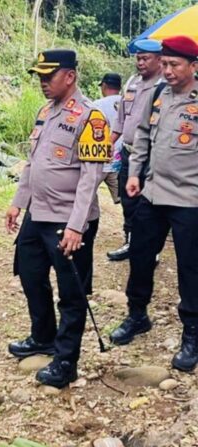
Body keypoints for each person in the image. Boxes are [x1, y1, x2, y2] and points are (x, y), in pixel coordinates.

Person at [5, 50, 112, 388]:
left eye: (48, 77)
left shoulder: (91, 118)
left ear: (69, 76)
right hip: (37, 214)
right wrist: (17, 203)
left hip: (69, 219)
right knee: (29, 274)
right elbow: (32, 164)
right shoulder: (44, 113)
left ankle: (66, 361)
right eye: (39, 76)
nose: (42, 83)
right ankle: (43, 337)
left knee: (71, 292)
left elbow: (90, 179)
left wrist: (77, 226)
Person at [109, 36, 198, 372]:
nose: (168, 70)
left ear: (194, 66)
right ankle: (137, 315)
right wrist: (135, 172)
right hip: (153, 193)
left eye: (175, 64)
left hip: (190, 198)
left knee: (190, 267)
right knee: (141, 255)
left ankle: (192, 332)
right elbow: (143, 135)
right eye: (165, 64)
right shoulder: (159, 95)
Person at [107, 39, 163, 261]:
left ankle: (151, 250)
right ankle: (130, 242)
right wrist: (109, 143)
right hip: (128, 152)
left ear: (159, 60)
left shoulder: (164, 87)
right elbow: (121, 119)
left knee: (147, 202)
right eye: (138, 58)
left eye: (145, 58)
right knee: (128, 199)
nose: (140, 63)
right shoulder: (132, 82)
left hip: (151, 155)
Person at [94, 73, 123, 204]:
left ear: (104, 85)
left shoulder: (97, 105)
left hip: (99, 159)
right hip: (121, 160)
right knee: (126, 203)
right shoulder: (128, 102)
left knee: (85, 196)